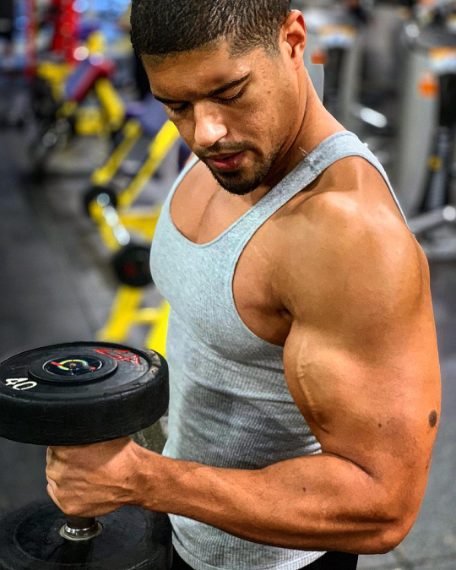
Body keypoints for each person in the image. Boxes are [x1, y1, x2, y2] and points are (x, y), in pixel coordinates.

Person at [45, 2, 441, 569]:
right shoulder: (234, 152)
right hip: (182, 530)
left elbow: (382, 506)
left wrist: (146, 480)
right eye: (177, 106)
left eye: (230, 92)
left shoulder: (349, 235)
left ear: (293, 40)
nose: (205, 133)